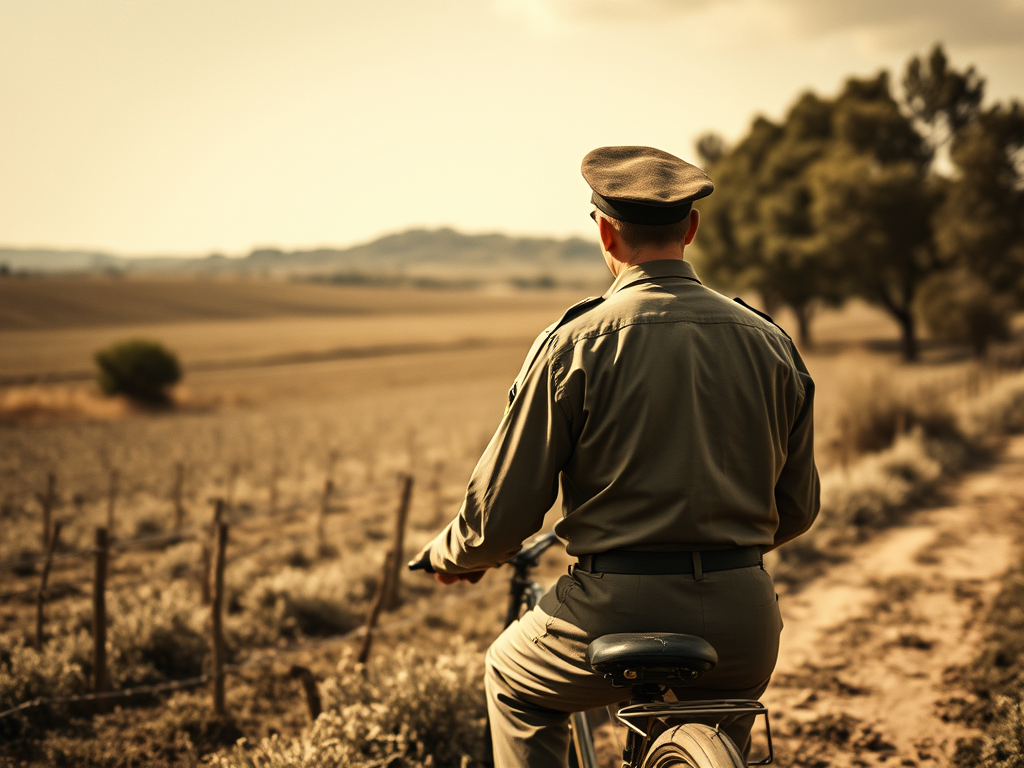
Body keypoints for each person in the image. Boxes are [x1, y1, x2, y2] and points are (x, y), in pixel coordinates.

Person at [414, 146, 820, 767]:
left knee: (511, 678)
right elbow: (797, 508)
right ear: (691, 227)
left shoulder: (575, 343)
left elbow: (500, 517)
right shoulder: (770, 341)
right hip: (746, 620)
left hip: (612, 611)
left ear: (605, 230)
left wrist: (454, 555)